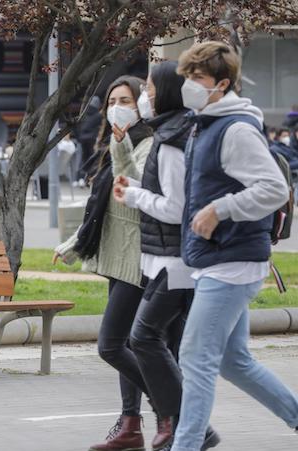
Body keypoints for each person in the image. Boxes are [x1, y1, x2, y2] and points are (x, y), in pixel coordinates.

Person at [171, 41, 298, 451]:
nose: (189, 85)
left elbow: (274, 189)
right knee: (233, 361)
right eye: (187, 77)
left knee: (195, 359)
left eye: (198, 79)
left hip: (232, 261)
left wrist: (219, 210)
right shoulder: (204, 122)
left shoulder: (236, 128)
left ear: (222, 84)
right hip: (221, 258)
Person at [112, 61, 220, 451]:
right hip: (166, 260)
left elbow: (176, 208)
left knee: (143, 337)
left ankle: (191, 425)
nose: (145, 97)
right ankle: (188, 425)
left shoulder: (172, 140)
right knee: (149, 338)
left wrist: (136, 195)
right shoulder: (169, 133)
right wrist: (138, 185)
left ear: (167, 93)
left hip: (175, 261)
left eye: (151, 91)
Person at [53, 76, 154, 451]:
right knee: (127, 343)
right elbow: (102, 208)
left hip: (140, 259)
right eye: (113, 100)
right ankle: (131, 423)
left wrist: (122, 140)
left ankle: (172, 406)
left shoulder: (148, 142)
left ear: (140, 104)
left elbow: (136, 186)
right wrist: (73, 244)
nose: (117, 106)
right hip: (117, 258)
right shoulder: (113, 140)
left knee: (111, 345)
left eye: (125, 99)